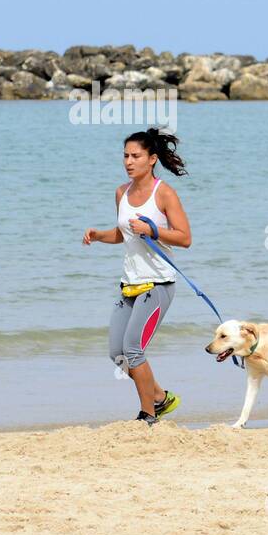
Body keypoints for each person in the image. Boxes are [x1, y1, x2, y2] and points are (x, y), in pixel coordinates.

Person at [82, 126, 192, 425]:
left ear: (152, 159)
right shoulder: (122, 192)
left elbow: (184, 238)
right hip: (129, 283)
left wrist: (154, 230)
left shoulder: (164, 193)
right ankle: (160, 397)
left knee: (133, 350)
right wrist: (99, 234)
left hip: (157, 283)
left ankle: (148, 415)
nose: (129, 161)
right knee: (117, 353)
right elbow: (122, 234)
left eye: (136, 156)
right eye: (125, 156)